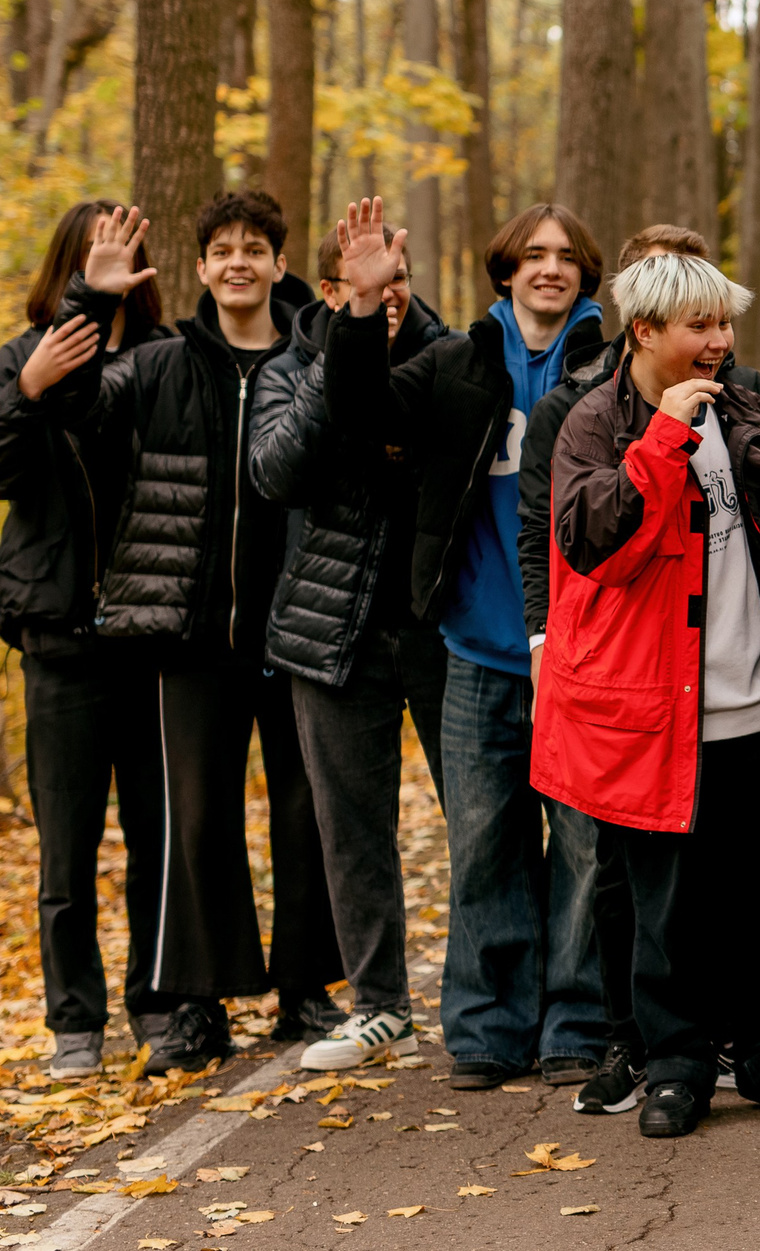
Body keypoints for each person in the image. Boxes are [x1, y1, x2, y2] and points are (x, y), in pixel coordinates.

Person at [521, 248, 760, 1138]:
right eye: (701, 325)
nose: (719, 341)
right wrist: (663, 437)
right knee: (668, 914)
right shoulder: (593, 422)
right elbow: (594, 546)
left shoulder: (747, 407)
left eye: (725, 324)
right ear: (647, 330)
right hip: (660, 719)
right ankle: (677, 1067)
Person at [48, 194, 343, 1073]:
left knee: (303, 813)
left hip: (293, 628)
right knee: (197, 818)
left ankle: (306, 989)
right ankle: (199, 1003)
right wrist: (90, 301)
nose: (239, 262)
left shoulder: (310, 359)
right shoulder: (158, 362)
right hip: (190, 637)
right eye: (222, 250)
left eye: (255, 248)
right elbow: (67, 405)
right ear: (205, 267)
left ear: (278, 265)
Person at [323, 199, 610, 1090]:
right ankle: (487, 1027)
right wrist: (364, 309)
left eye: (566, 254)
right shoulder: (454, 362)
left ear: (585, 274)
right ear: (506, 269)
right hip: (478, 649)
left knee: (584, 847)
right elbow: (358, 415)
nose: (550, 267)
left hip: (587, 653)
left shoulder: (612, 371)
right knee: (484, 841)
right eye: (533, 254)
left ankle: (577, 1023)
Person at [0, 201, 175, 1079]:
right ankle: (74, 1021)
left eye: (122, 252)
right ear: (69, 265)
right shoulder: (21, 361)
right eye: (92, 256)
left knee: (160, 838)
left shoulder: (163, 363)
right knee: (67, 848)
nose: (110, 264)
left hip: (151, 638)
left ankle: (160, 1004)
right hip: (59, 637)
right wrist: (29, 391)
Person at [250, 209, 453, 1071]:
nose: (389, 294)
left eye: (399, 278)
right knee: (353, 830)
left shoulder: (452, 359)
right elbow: (276, 472)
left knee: (487, 822)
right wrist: (348, 348)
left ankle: (515, 1000)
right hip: (331, 630)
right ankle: (381, 1007)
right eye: (369, 281)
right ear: (334, 290)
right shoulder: (290, 369)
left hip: (446, 630)